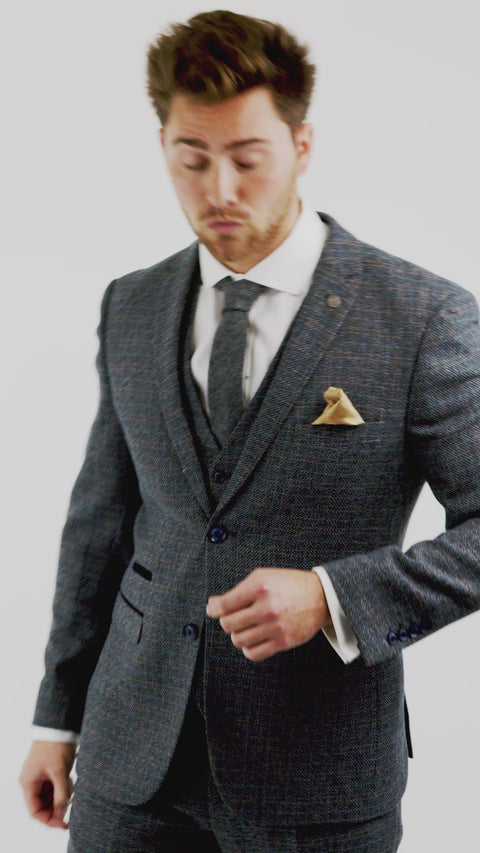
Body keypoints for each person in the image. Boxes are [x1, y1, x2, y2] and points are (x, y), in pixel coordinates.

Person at [19, 10, 480, 853]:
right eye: (192, 158)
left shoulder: (424, 318)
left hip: (317, 772)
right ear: (163, 145)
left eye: (247, 157)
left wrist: (334, 596)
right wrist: (58, 716)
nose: (220, 190)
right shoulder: (133, 304)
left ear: (302, 145)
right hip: (129, 763)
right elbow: (100, 523)